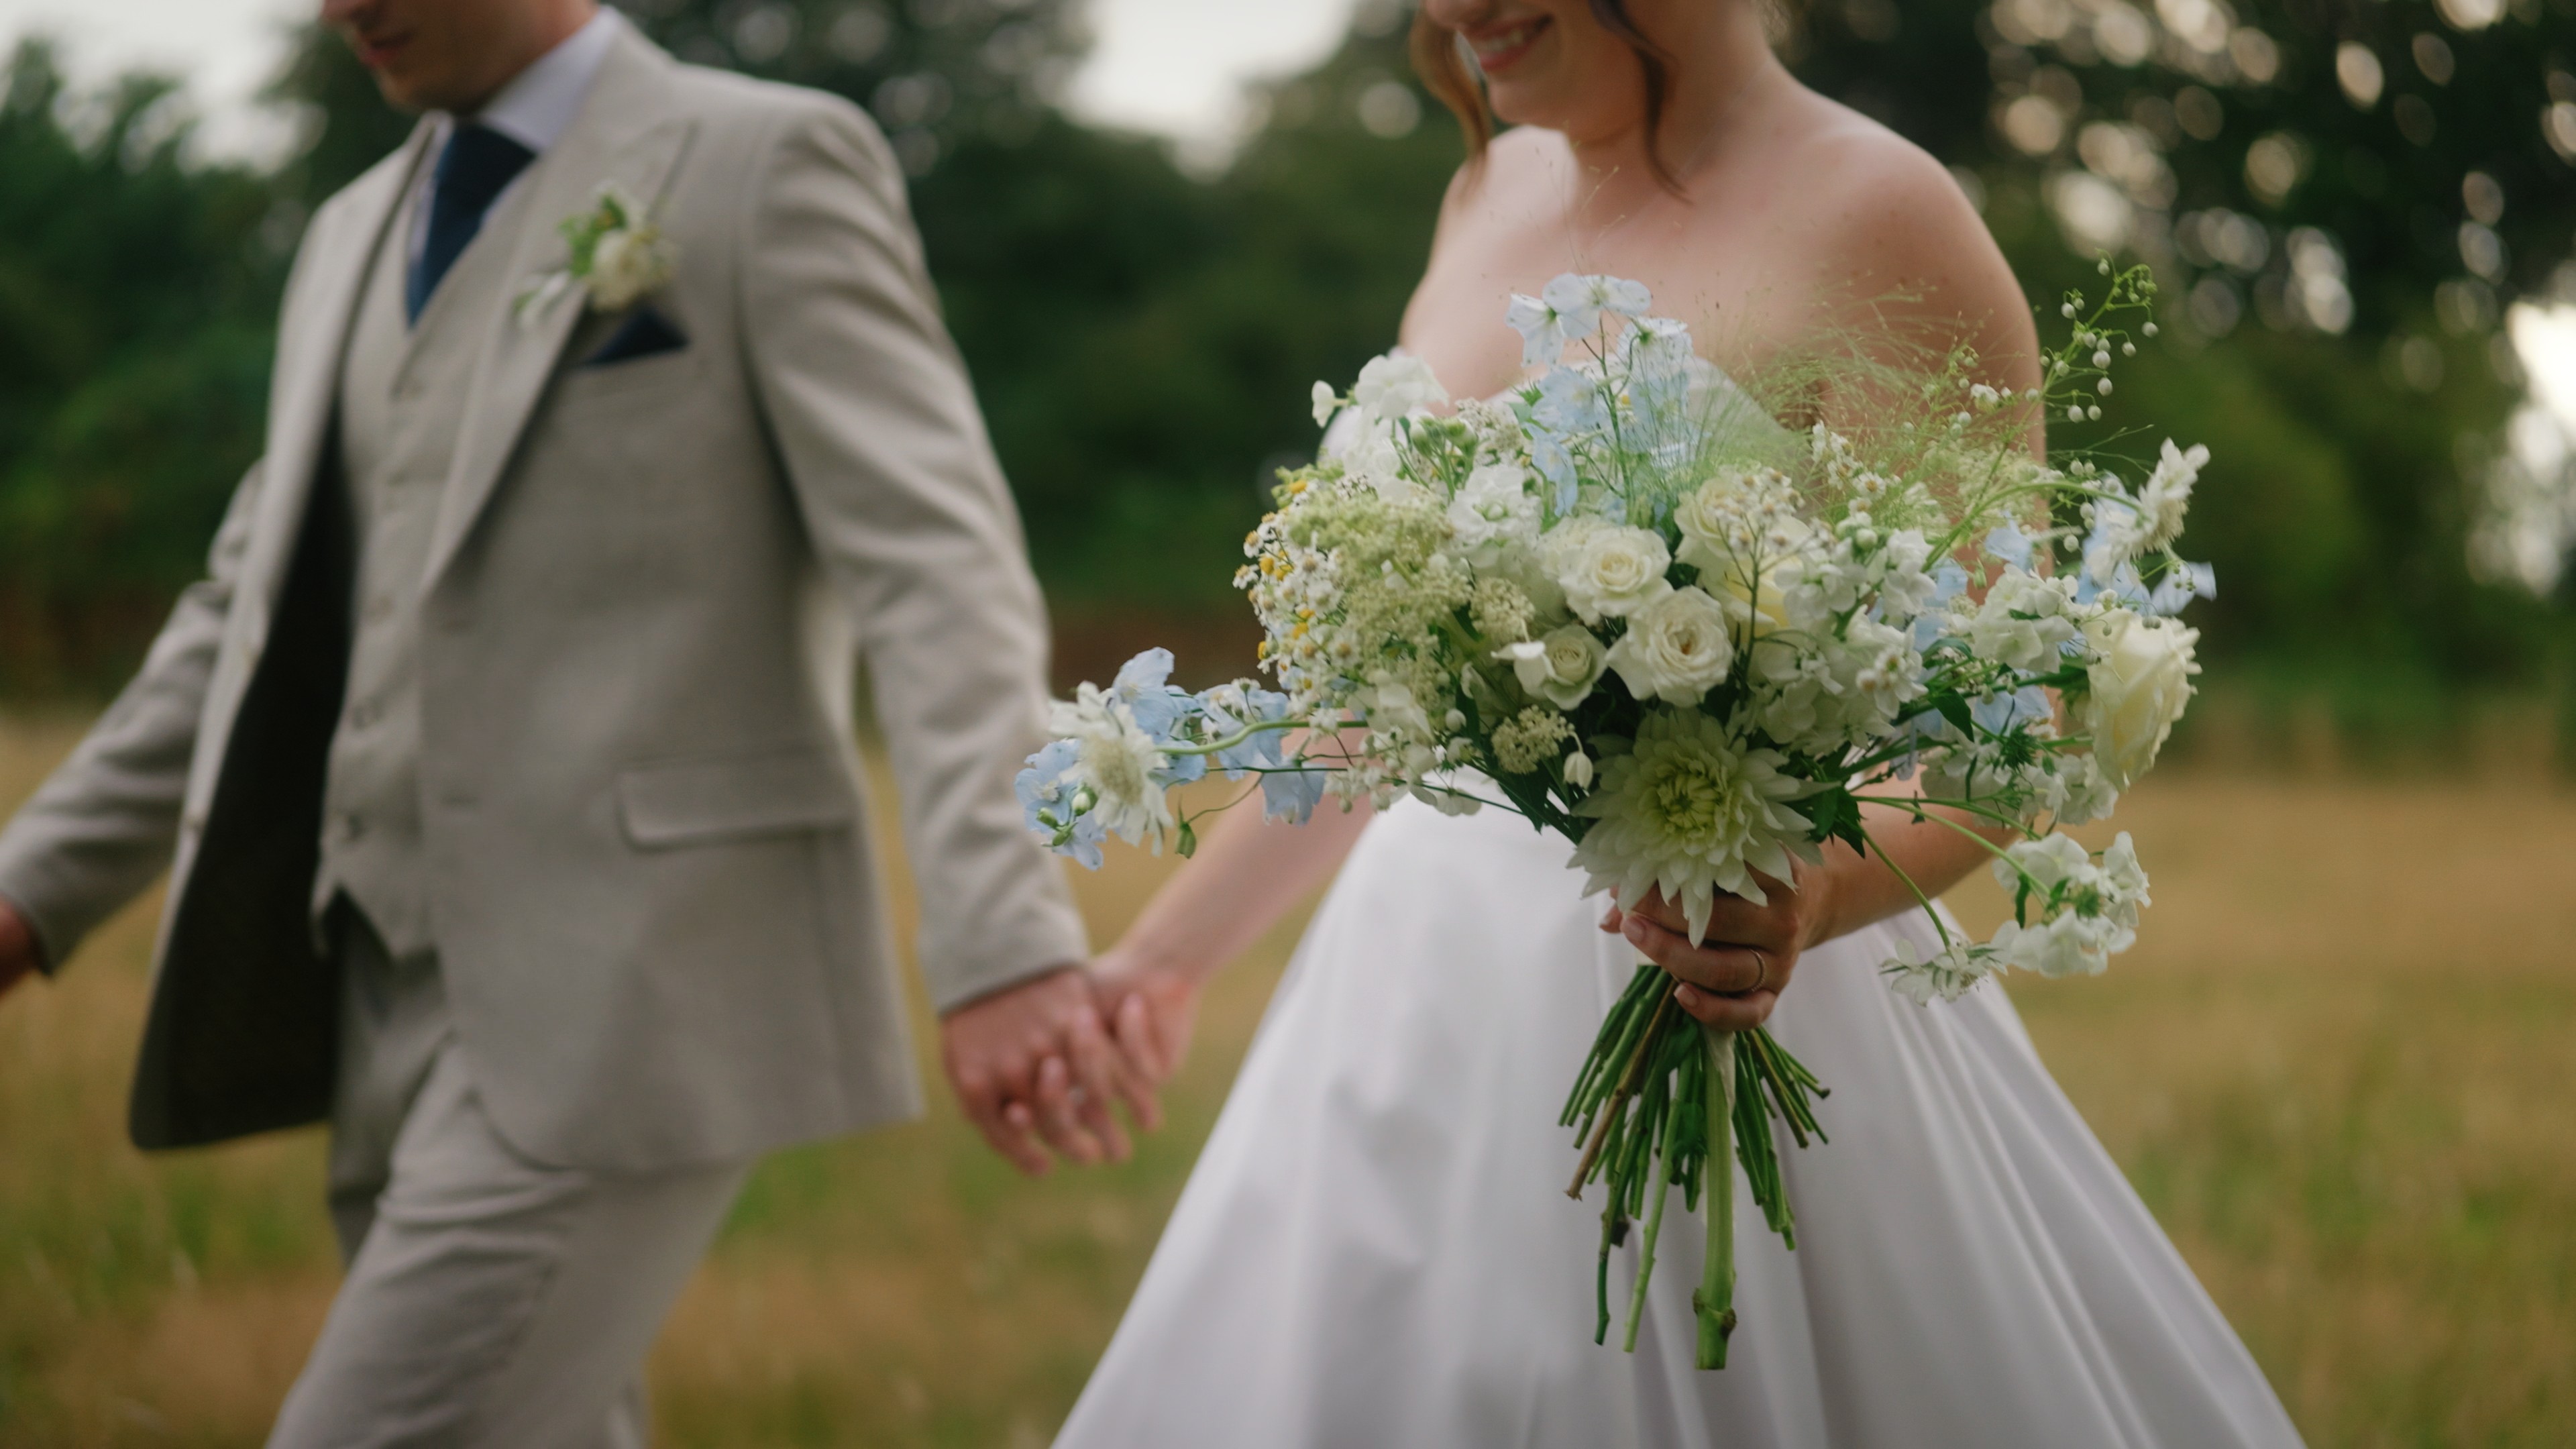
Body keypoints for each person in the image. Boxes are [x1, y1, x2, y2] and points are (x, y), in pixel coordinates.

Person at [1055, 1, 2308, 1445]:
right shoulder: (1484, 189)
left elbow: (2011, 708)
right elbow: (1382, 714)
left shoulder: (1880, 212)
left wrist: (1815, 895)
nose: (1455, 12)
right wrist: (1159, 964)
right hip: (1409, 1016)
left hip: (1734, 974)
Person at [0, 0, 1151, 1442]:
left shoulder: (766, 164)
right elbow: (237, 619)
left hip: (637, 991)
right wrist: (30, 889)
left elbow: (939, 574)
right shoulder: (350, 232)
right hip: (374, 991)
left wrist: (1003, 941)